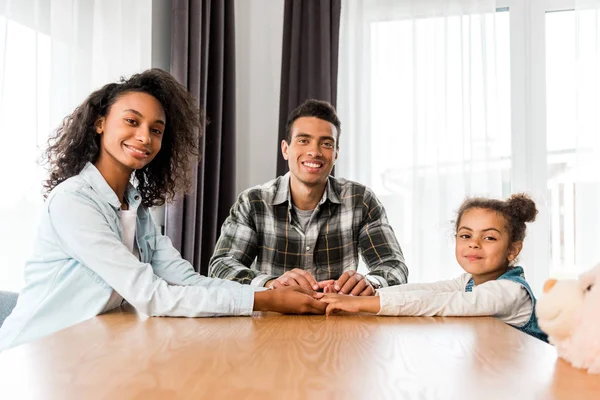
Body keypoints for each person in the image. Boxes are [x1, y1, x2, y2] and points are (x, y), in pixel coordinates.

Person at [0, 69, 324, 351]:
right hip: (32, 356)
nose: (144, 137)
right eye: (131, 121)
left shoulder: (135, 207)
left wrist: (265, 287)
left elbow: (185, 280)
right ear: (100, 123)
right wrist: (264, 301)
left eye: (156, 130)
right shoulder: (73, 202)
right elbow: (150, 294)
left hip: (89, 351)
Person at [209, 99, 408, 296]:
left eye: (326, 143)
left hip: (341, 320)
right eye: (304, 140)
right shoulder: (253, 202)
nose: (314, 152)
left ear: (336, 154)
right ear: (285, 149)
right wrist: (270, 283)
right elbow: (221, 266)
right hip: (271, 321)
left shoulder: (360, 201)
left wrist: (371, 283)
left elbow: (394, 267)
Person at [320, 193, 548, 342]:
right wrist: (367, 293)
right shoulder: (468, 281)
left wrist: (361, 303)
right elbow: (428, 291)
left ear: (513, 250)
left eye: (489, 238)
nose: (473, 244)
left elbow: (441, 303)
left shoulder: (510, 292)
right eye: (466, 235)